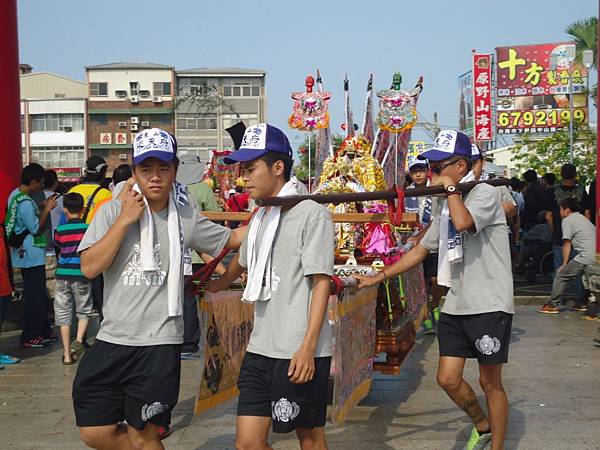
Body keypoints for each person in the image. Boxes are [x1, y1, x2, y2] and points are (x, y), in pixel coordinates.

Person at [72, 128, 245, 450]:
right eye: (146, 169)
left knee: (145, 435)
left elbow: (230, 239)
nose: (155, 177)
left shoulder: (184, 216)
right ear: (135, 171)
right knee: (94, 432)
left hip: (159, 344)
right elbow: (90, 267)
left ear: (175, 171)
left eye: (163, 168)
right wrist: (124, 220)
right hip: (113, 338)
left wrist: (273, 216)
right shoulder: (111, 210)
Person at [355, 130, 514, 450]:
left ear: (460, 166)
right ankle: (483, 426)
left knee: (489, 381)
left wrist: (451, 190)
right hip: (457, 302)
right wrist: (380, 276)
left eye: (440, 166)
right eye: (432, 166)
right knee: (447, 378)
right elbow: (420, 251)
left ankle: (497, 446)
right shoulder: (446, 202)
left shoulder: (482, 192)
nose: (433, 173)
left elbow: (465, 222)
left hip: (489, 302)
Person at [207, 123, 334, 450]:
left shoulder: (311, 213)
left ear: (278, 168)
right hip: (261, 346)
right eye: (242, 170)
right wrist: (217, 283)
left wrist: (307, 348)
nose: (243, 177)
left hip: (298, 348)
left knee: (309, 437)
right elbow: (244, 259)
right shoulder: (261, 214)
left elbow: (321, 283)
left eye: (250, 169)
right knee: (247, 442)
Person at [4, 163, 57, 348]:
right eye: (40, 184)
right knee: (34, 296)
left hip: (24, 252)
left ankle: (42, 330)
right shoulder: (25, 203)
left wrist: (40, 205)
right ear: (33, 181)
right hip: (31, 253)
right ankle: (30, 334)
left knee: (39, 294)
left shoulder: (16, 195)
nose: (41, 188)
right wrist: (48, 209)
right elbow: (35, 228)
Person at [70, 156, 113, 320]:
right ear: (102, 172)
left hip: (72, 249)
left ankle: (78, 333)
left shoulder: (73, 191)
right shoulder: (105, 194)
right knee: (98, 293)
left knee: (77, 297)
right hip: (96, 249)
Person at [53, 192, 92, 364]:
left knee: (63, 315)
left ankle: (67, 355)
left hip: (62, 276)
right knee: (84, 310)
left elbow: (58, 247)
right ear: (83, 209)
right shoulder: (88, 228)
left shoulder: (59, 231)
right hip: (81, 274)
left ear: (65, 210)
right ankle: (79, 340)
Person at [538, 197, 596, 314]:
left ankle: (552, 304)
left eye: (560, 210)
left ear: (567, 210)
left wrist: (564, 264)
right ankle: (581, 303)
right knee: (581, 276)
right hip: (594, 255)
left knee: (561, 275)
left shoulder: (568, 220)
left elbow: (566, 244)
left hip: (585, 256)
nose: (559, 213)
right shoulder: (583, 219)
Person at [405, 157, 440, 335]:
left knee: (435, 280)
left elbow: (435, 219)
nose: (418, 174)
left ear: (427, 171)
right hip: (413, 243)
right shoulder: (405, 193)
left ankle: (434, 305)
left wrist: (421, 235)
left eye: (421, 170)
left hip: (432, 242)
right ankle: (426, 316)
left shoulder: (434, 190)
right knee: (421, 282)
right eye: (414, 171)